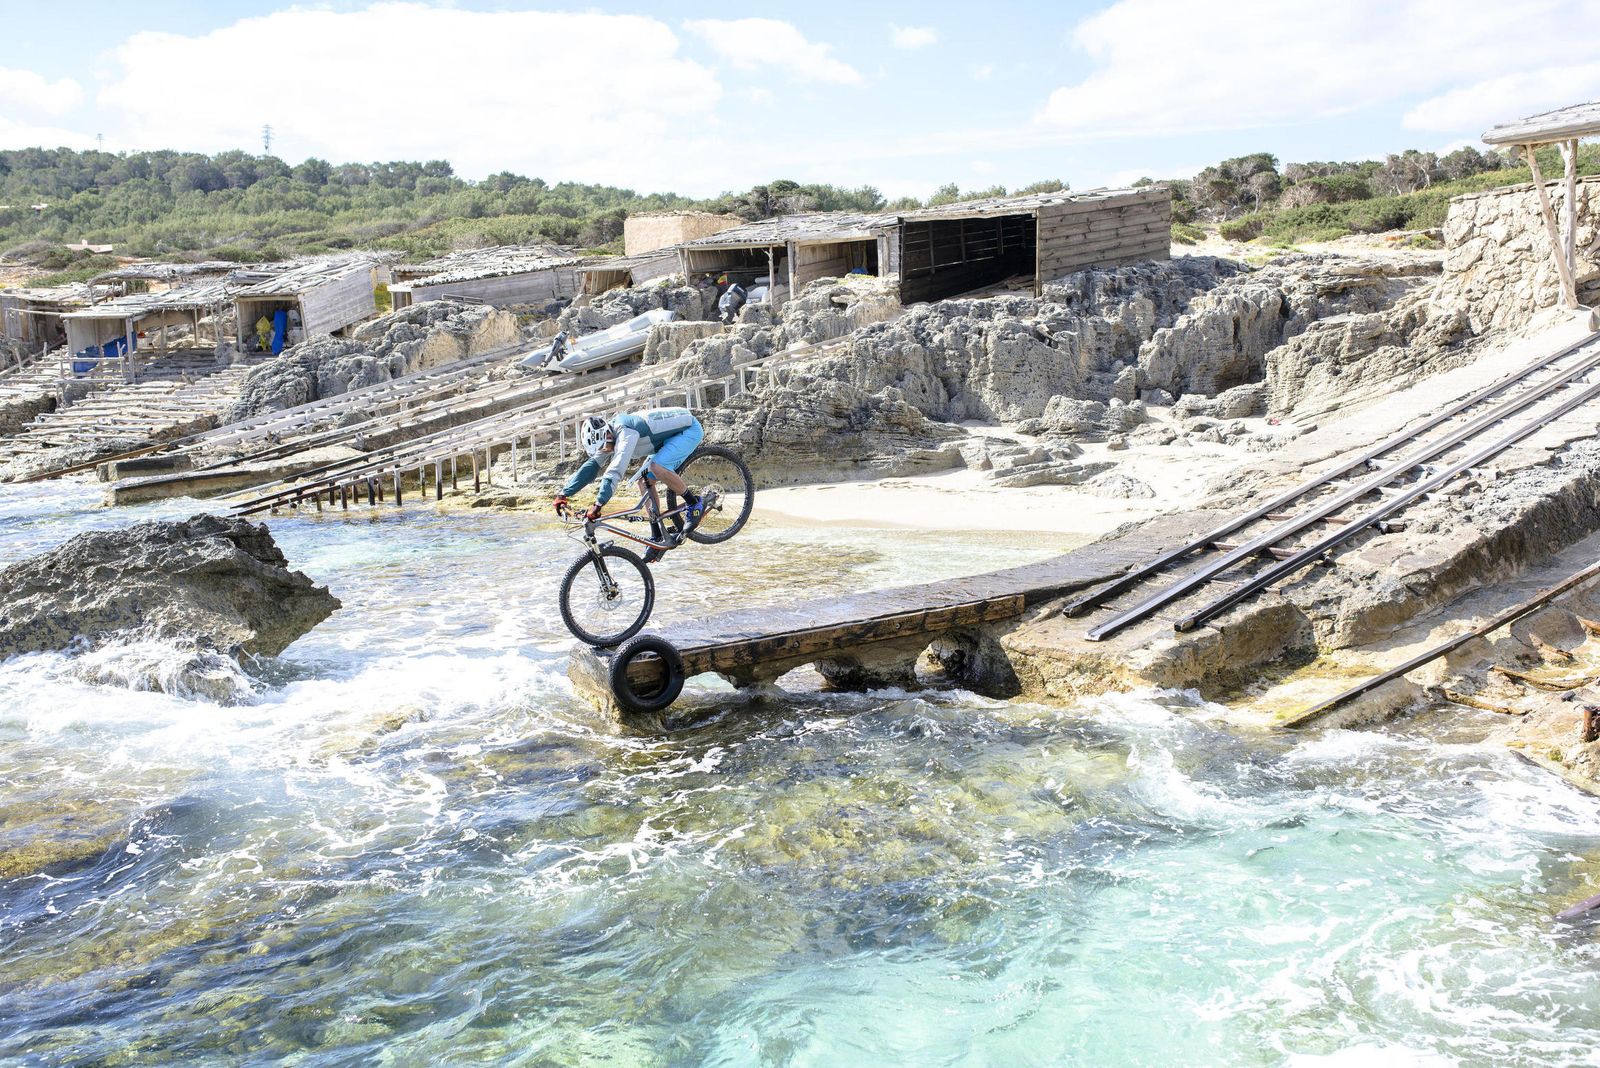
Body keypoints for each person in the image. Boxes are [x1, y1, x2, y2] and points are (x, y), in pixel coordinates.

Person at [554, 407, 707, 559]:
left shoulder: (625, 433)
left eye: (603, 447)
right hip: (666, 440)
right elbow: (591, 467)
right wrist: (564, 494)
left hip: (688, 431)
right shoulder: (608, 437)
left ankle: (694, 504)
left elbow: (616, 469)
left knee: (657, 467)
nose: (604, 451)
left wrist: (599, 504)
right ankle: (657, 535)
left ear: (607, 435)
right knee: (644, 482)